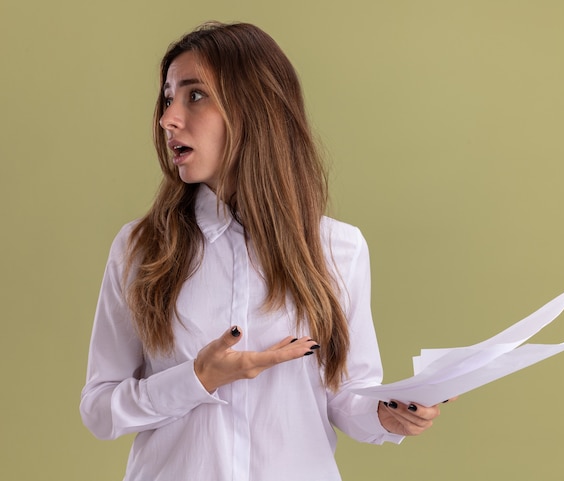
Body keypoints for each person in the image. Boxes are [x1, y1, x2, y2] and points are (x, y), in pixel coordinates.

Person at [80, 21, 446, 481]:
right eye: (168, 98)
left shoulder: (338, 249)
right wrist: (196, 379)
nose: (168, 118)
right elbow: (99, 409)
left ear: (255, 107)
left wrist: (387, 417)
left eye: (194, 95)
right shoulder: (140, 249)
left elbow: (347, 395)